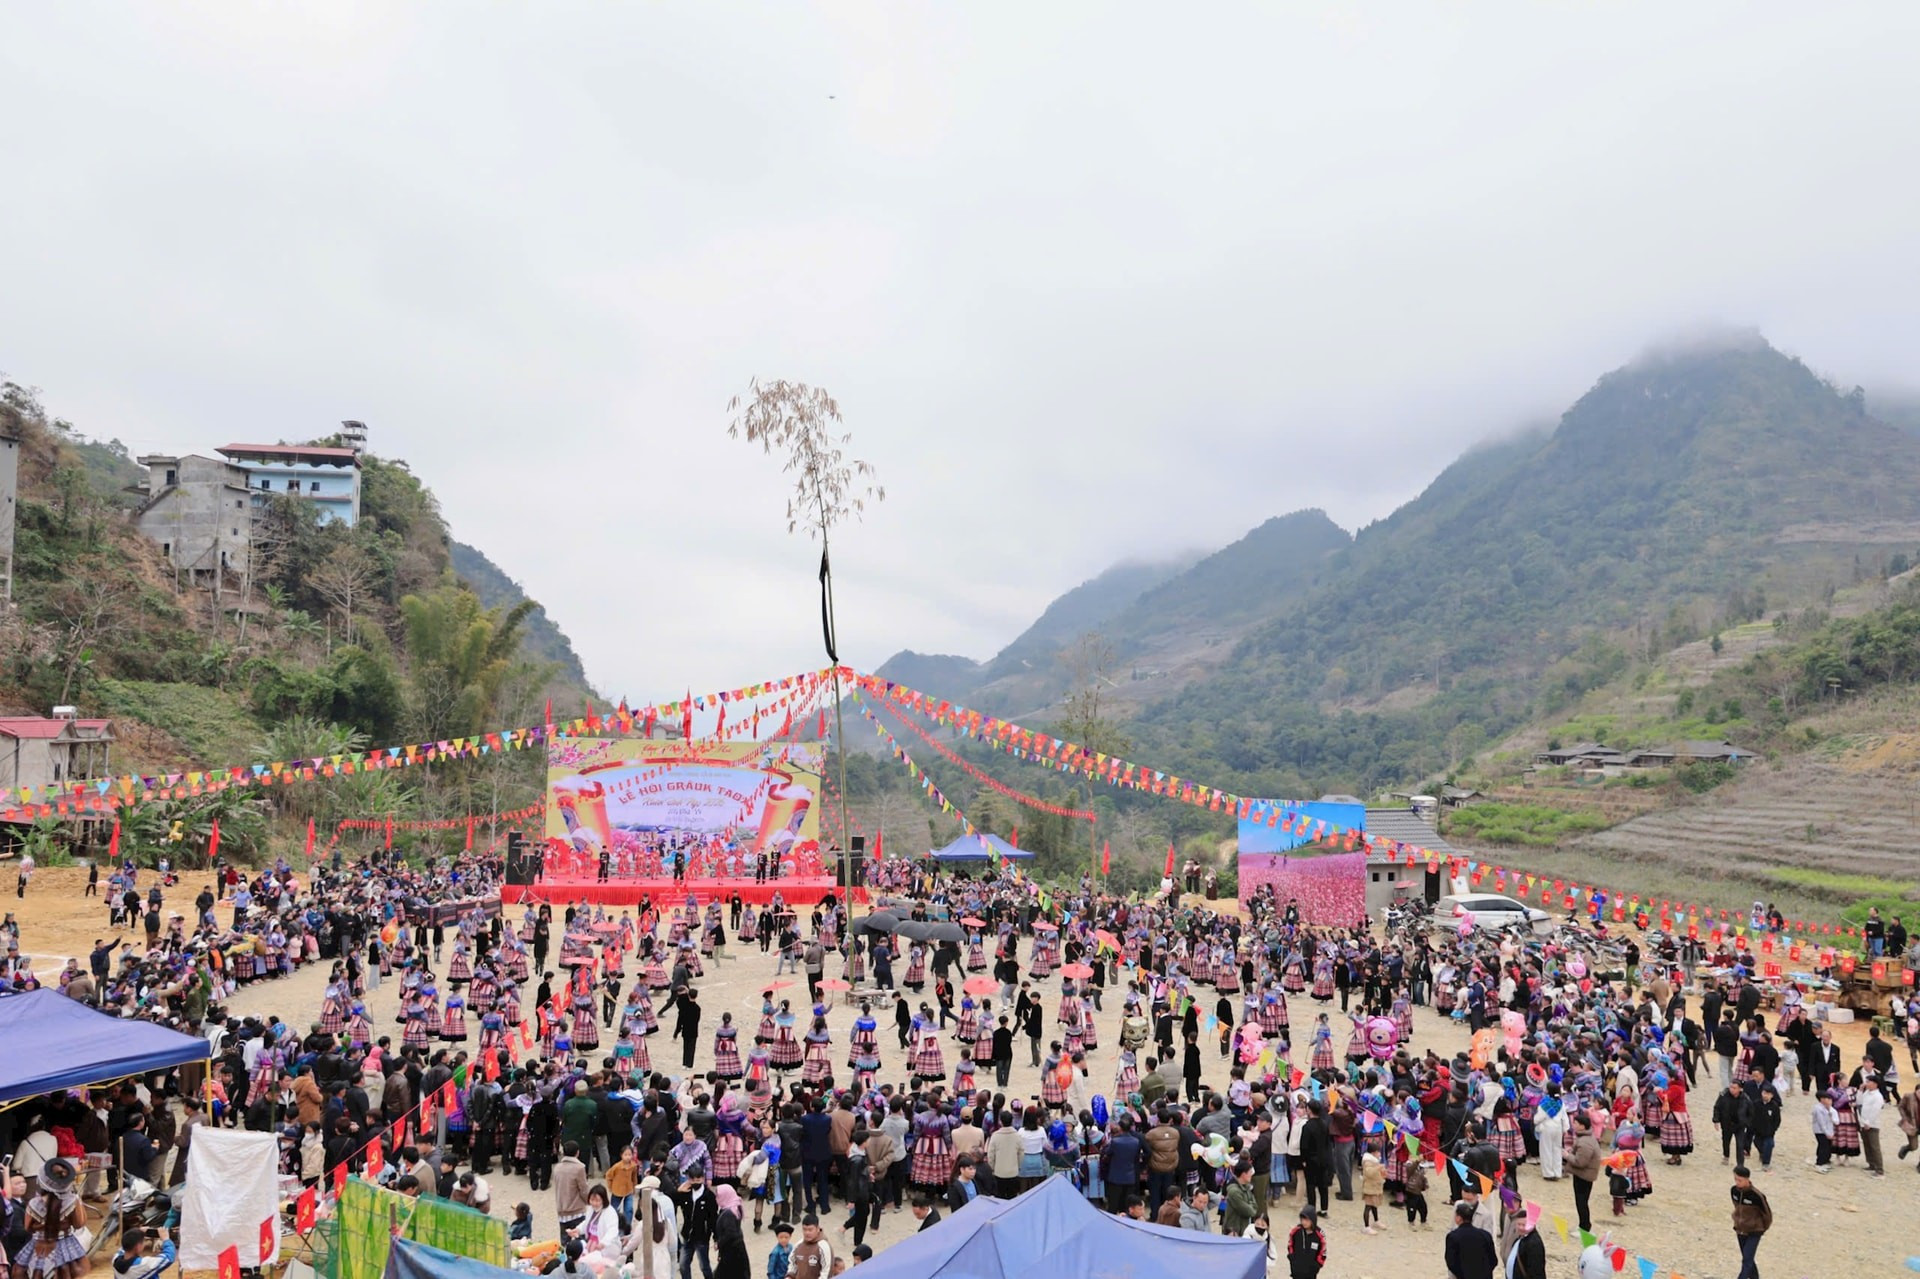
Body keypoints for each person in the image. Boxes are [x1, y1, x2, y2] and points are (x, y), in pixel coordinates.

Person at [1729, 1165, 1771, 1279]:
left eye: (1740, 1180)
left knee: (1747, 1259)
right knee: (1748, 1259)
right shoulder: (1734, 1191)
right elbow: (1736, 1207)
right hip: (1740, 1230)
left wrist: (1761, 1228)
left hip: (1754, 1231)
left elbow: (1767, 1214)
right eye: (1735, 1179)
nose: (1737, 1182)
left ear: (1747, 1179)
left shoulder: (1757, 1196)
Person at [1565, 1116, 1602, 1233]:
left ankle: (1584, 1228)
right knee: (1582, 1201)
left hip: (1584, 1176)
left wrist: (1567, 1156)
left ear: (1582, 1126)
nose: (1573, 1125)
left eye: (1575, 1123)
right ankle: (1583, 1225)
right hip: (1584, 1175)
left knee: (1582, 1202)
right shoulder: (1586, 1138)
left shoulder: (1585, 1142)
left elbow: (1580, 1162)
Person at [1442, 1200, 1497, 1279]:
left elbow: (1451, 1262)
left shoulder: (1453, 1237)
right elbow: (1493, 1260)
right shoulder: (1485, 1235)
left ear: (1459, 1218)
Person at [111, 1228, 177, 1279]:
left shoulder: (115, 1260)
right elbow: (168, 1258)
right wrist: (166, 1239)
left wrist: (137, 1234)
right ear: (138, 1246)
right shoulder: (143, 1265)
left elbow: (123, 1248)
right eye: (143, 1242)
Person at [1283, 1204, 1325, 1279]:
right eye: (1302, 1219)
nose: (1304, 1222)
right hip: (1296, 1271)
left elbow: (1323, 1251)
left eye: (1306, 1220)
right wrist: (1292, 1259)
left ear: (1312, 1220)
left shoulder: (1319, 1234)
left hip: (1311, 1273)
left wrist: (1317, 1265)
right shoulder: (1296, 1231)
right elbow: (1290, 1245)